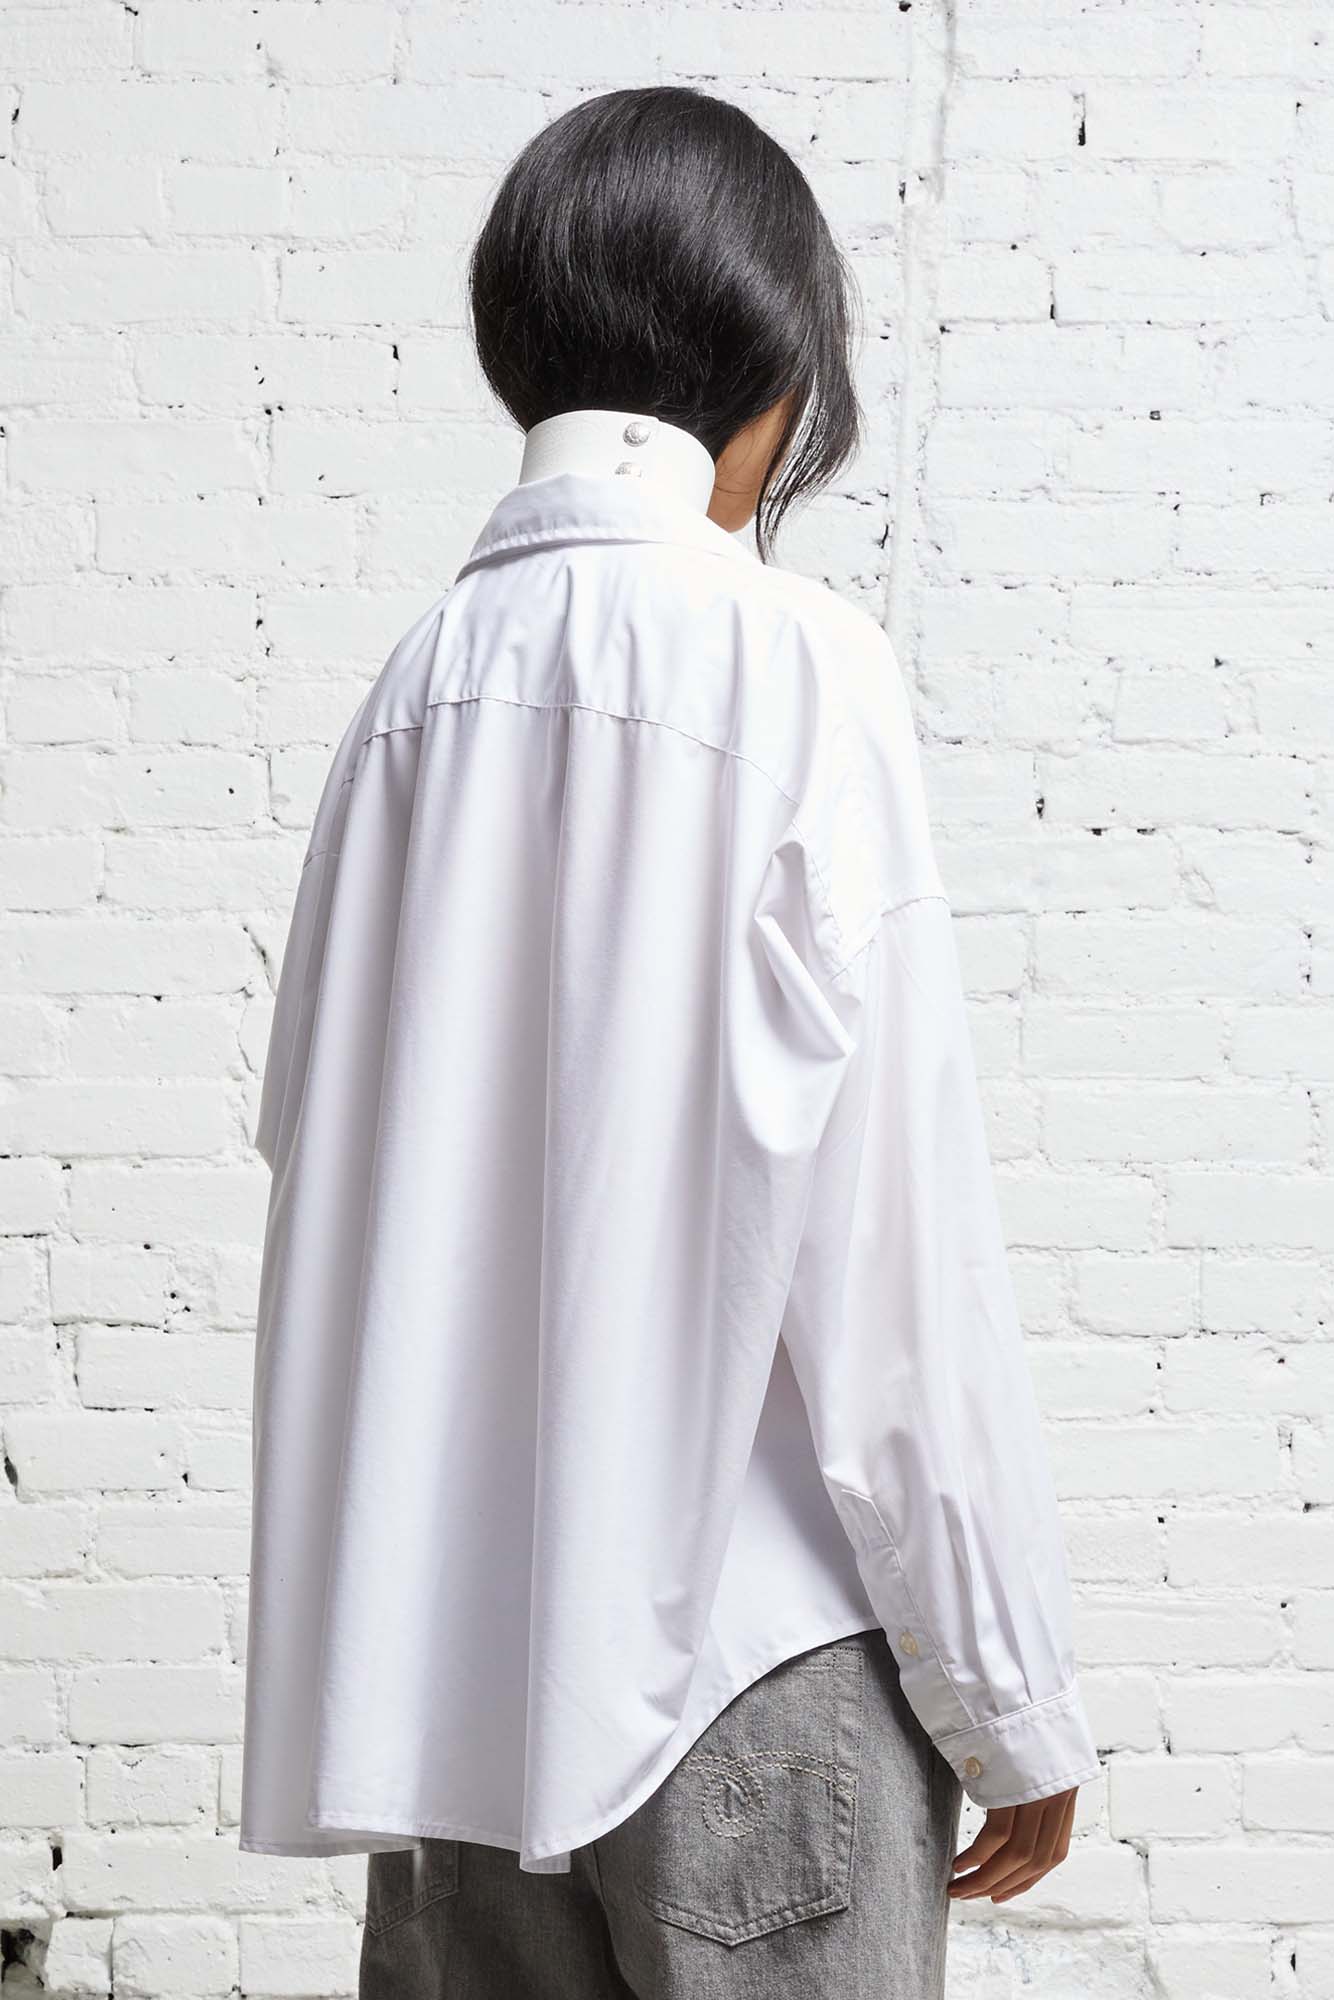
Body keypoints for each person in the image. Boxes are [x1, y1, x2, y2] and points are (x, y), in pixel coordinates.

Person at [239, 83, 1100, 2000]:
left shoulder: (409, 696)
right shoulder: (795, 663)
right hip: (750, 1670)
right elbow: (891, 1254)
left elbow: (313, 1162)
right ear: (771, 372)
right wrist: (1007, 1692)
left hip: (454, 1705)